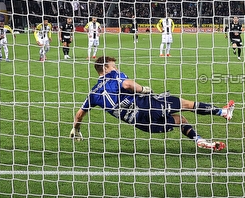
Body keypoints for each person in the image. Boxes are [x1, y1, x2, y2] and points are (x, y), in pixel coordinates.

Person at [70, 56, 235, 151]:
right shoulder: (113, 75)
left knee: (180, 121)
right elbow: (127, 84)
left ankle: (199, 141)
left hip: (141, 123)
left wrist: (75, 130)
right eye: (113, 65)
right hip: (148, 106)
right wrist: (143, 89)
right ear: (105, 68)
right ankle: (223, 112)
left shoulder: (93, 93)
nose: (116, 67)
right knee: (185, 104)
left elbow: (79, 114)